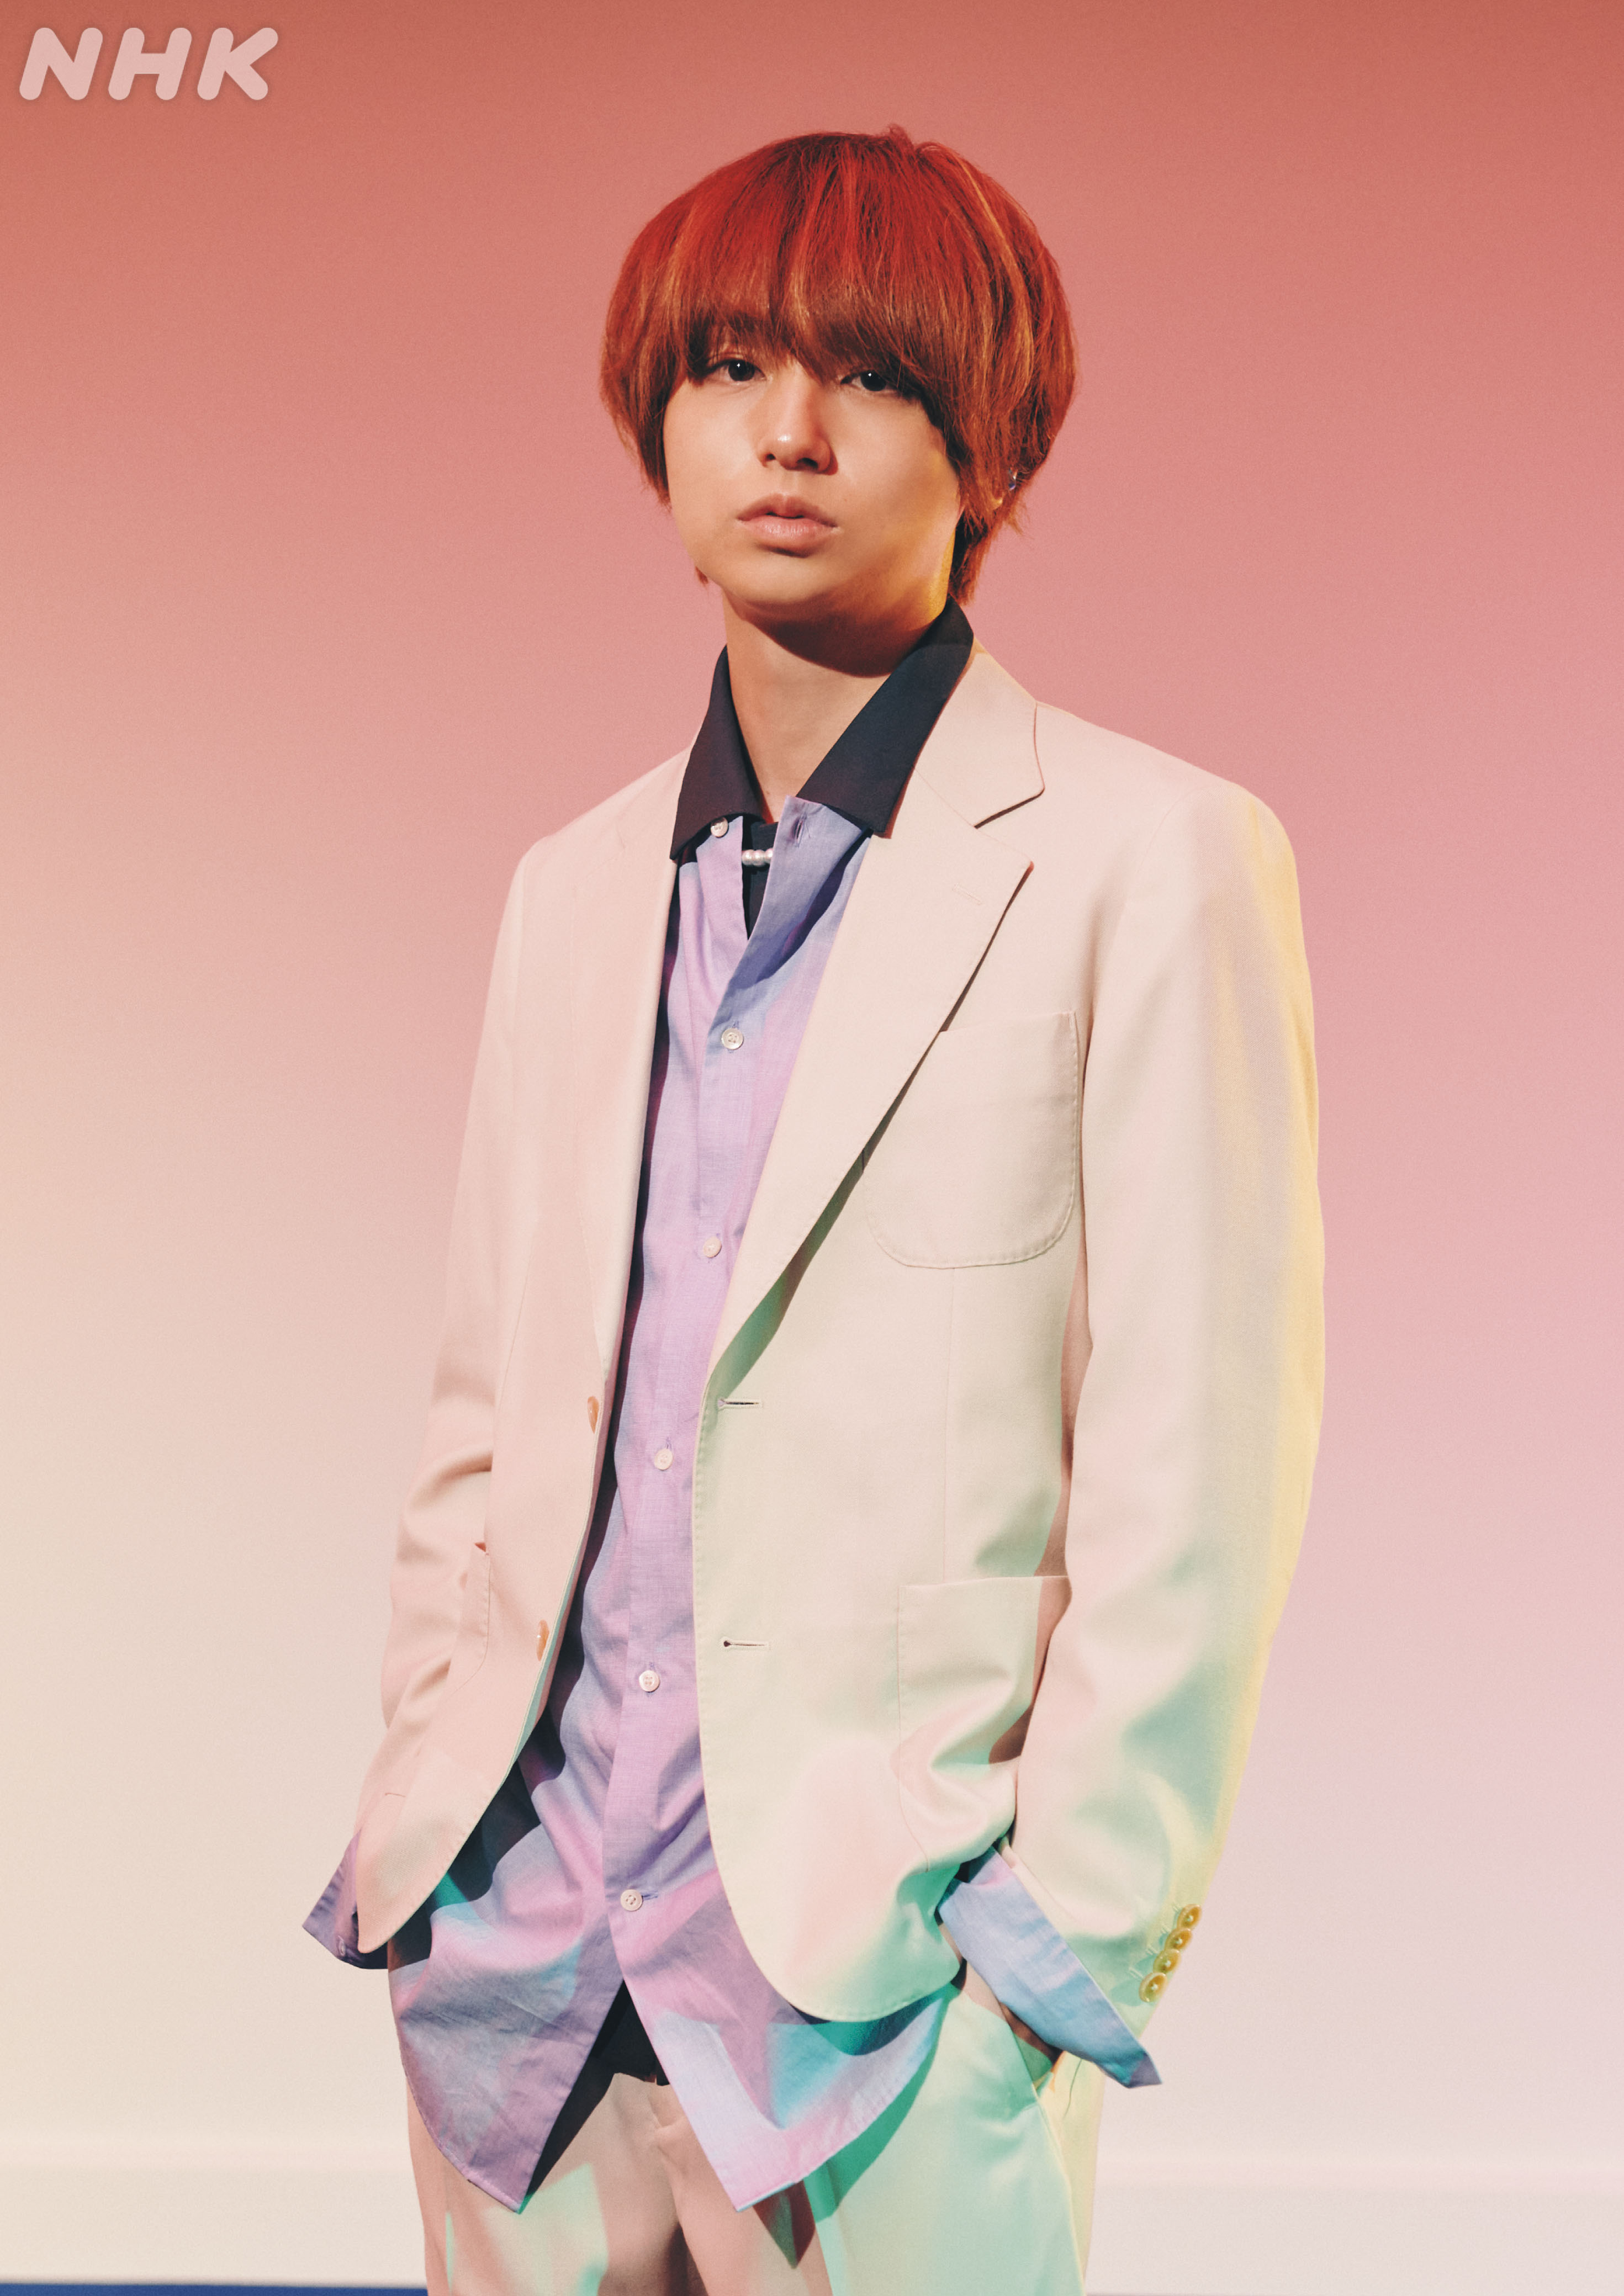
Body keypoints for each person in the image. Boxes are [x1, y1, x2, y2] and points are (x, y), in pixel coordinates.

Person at [306, 126, 1324, 2296]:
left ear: (987, 438)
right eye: (730, 367)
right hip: (520, 1980)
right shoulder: (574, 886)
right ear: (656, 418)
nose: (788, 433)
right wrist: (421, 1829)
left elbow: (1198, 1468)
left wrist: (1042, 1964)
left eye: (868, 374)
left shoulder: (1149, 859)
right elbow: (487, 1419)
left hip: (880, 2009)